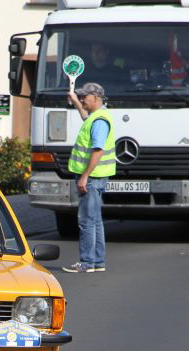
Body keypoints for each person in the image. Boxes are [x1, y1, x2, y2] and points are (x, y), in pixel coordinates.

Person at [63, 82, 115, 273]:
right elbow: (86, 117)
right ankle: (98, 262)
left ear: (96, 97)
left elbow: (98, 150)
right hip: (97, 177)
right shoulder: (97, 117)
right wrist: (76, 102)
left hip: (92, 178)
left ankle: (87, 262)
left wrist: (84, 176)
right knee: (95, 220)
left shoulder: (99, 121)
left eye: (85, 96)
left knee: (86, 221)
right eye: (81, 96)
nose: (83, 99)